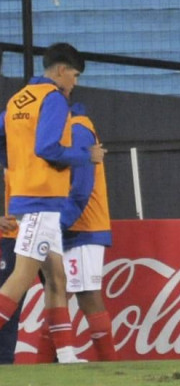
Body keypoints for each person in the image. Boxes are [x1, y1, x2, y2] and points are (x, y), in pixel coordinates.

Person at [0, 42, 105, 364]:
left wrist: (14, 168)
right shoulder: (54, 98)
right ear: (61, 70)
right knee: (20, 278)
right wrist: (85, 156)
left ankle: (67, 354)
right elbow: (48, 148)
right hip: (41, 199)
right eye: (74, 75)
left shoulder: (18, 99)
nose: (74, 82)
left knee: (57, 278)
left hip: (29, 195)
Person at [35, 102, 117, 363]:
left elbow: (82, 188)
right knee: (57, 293)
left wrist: (57, 226)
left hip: (82, 226)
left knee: (86, 293)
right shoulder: (64, 131)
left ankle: (111, 364)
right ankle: (42, 367)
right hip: (69, 224)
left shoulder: (78, 129)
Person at [0, 175, 21, 364]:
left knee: (56, 293)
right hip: (10, 236)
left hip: (47, 232)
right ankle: (4, 361)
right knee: (10, 300)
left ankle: (59, 358)